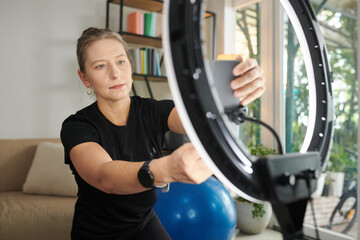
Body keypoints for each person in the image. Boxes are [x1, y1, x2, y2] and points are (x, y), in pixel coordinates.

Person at [60, 27, 265, 240]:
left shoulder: (153, 111)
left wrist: (234, 95)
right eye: (100, 66)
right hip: (96, 233)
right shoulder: (77, 126)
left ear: (130, 65)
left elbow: (200, 121)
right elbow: (104, 176)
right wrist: (163, 169)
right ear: (85, 78)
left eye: (121, 61)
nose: (115, 73)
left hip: (144, 223)